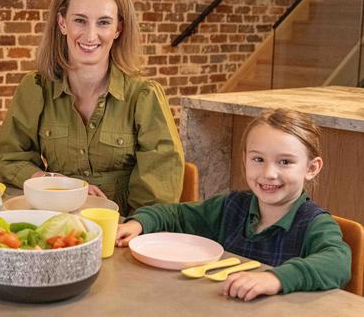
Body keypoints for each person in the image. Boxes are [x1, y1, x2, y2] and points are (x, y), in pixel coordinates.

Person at [0, 0, 184, 216]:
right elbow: (10, 156)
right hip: (56, 221)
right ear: (62, 23)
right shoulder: (36, 87)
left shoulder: (144, 96)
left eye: (103, 22)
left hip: (123, 229)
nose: (91, 35)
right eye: (80, 20)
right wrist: (53, 183)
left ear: (118, 28)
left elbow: (159, 190)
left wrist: (129, 228)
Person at [116, 108, 351, 301]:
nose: (269, 173)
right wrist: (139, 223)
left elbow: (337, 262)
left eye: (285, 162)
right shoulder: (230, 206)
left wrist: (276, 278)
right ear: (244, 160)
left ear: (311, 168)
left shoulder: (315, 223)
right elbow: (176, 215)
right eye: (258, 159)